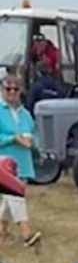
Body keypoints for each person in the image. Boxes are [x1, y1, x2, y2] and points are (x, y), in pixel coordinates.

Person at [0, 75, 41, 246]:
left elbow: (35, 133)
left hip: (22, 163)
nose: (12, 93)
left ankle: (1, 233)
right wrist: (13, 139)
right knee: (16, 197)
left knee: (9, 203)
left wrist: (32, 141)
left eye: (15, 89)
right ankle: (27, 235)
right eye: (8, 89)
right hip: (4, 164)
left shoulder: (26, 114)